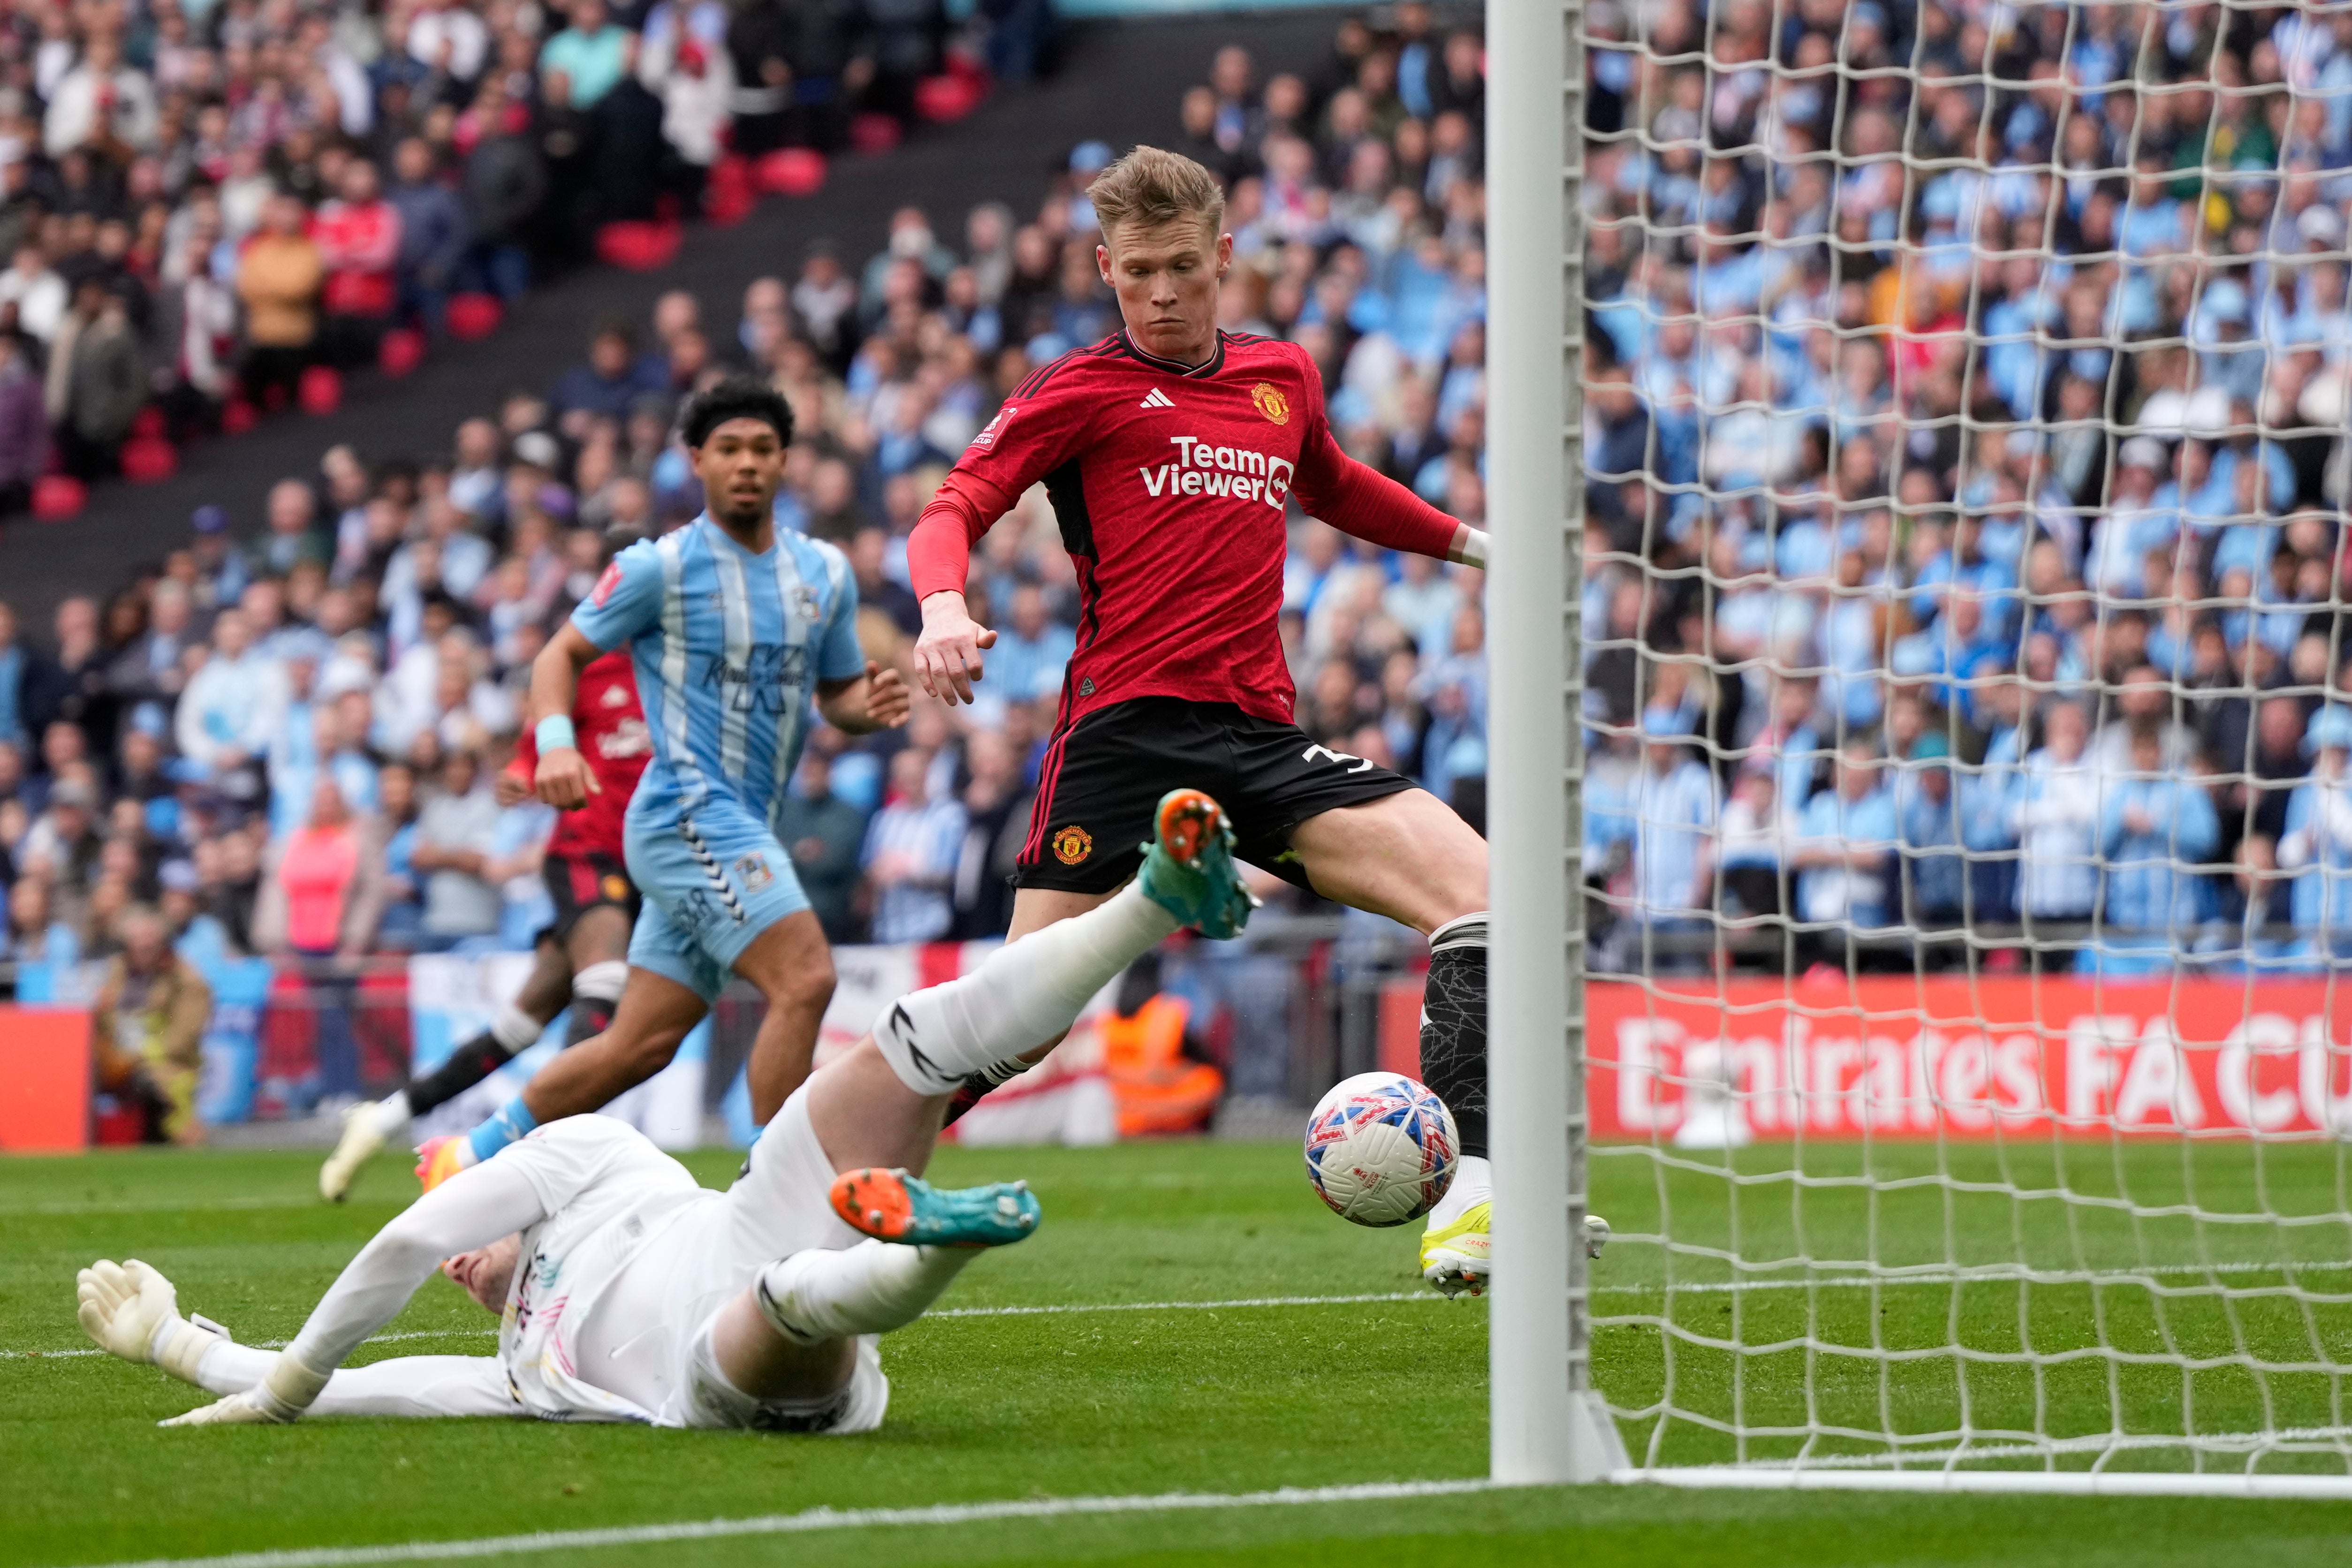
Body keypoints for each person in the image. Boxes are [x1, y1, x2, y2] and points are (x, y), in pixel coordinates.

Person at [76, 789, 1251, 1429]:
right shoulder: (512, 1369)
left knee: (915, 1042)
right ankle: (924, 1237)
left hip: (749, 1213)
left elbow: (407, 1237)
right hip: (713, 1362)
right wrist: (186, 1347)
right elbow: (364, 1384)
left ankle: (1155, 894)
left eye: (468, 1222)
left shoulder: (582, 1154)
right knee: (785, 1304)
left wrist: (273, 1393)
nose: (454, 1264)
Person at [903, 146, 1499, 1295]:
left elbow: (1332, 483)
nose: (1163, 292)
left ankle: (1471, 1212)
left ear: (1223, 257)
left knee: (1484, 902)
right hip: (1125, 733)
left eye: (1183, 267)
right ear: (1104, 269)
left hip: (1261, 740)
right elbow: (955, 503)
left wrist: (1479, 547)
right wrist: (940, 602)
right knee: (1018, 1024)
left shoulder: (1280, 375)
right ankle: (810, 1180)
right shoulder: (1078, 388)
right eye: (1137, 273)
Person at [417, 379, 908, 1190]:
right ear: (697, 462)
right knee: (806, 977)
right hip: (685, 811)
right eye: (728, 450)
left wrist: (870, 704)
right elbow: (555, 657)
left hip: (739, 824)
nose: (746, 464)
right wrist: (552, 746)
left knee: (637, 1045)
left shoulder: (823, 573)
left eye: (761, 449)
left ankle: (465, 1156)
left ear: (784, 460)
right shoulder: (657, 567)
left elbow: (837, 695)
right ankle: (781, 1197)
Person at [320, 635, 652, 1200]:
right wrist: (523, 773)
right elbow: (531, 747)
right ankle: (552, 1160)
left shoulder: (682, 674)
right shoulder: (585, 672)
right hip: (582, 853)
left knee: (518, 1027)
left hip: (646, 865)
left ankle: (382, 1120)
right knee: (605, 987)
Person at [90, 905, 212, 1146]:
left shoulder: (188, 981)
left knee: (144, 1082)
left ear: (164, 943)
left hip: (165, 1066)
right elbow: (101, 1018)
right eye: (137, 940)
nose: (143, 946)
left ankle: (160, 1136)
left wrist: (138, 1054)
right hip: (115, 1059)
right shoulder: (116, 971)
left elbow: (183, 1038)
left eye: (150, 940)